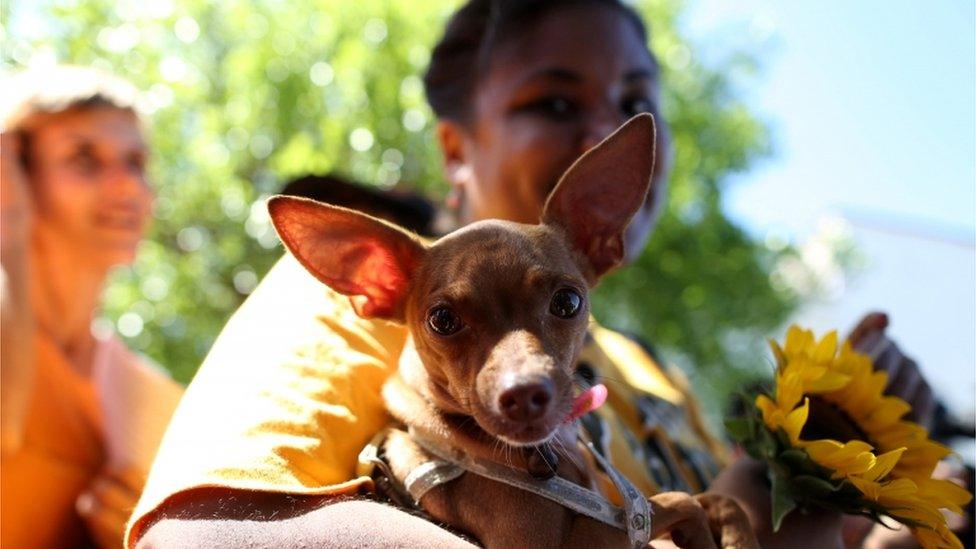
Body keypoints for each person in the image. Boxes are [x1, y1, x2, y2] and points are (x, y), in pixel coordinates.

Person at [127, 1, 937, 547]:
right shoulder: (357, 299)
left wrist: (831, 456)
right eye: (553, 102)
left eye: (633, 100)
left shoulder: (651, 376)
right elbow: (206, 534)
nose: (603, 127)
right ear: (456, 150)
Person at [0, 65, 183, 548]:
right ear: (14, 172)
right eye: (84, 158)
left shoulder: (145, 395)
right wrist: (8, 228)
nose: (127, 186)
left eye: (136, 162)